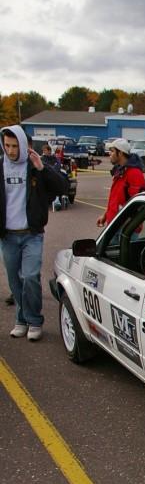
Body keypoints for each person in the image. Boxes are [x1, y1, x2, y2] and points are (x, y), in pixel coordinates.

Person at [0, 125, 67, 340]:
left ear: (23, 144)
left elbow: (61, 187)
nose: (11, 150)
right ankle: (21, 319)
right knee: (15, 281)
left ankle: (35, 320)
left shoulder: (35, 165)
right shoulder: (0, 166)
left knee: (30, 277)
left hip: (32, 234)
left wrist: (41, 168)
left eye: (15, 145)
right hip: (8, 236)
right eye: (7, 145)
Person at [96, 138, 145, 228]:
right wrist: (105, 216)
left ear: (120, 153)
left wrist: (129, 228)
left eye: (112, 151)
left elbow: (138, 205)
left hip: (125, 228)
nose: (109, 154)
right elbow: (116, 199)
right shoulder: (120, 170)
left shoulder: (134, 173)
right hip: (114, 224)